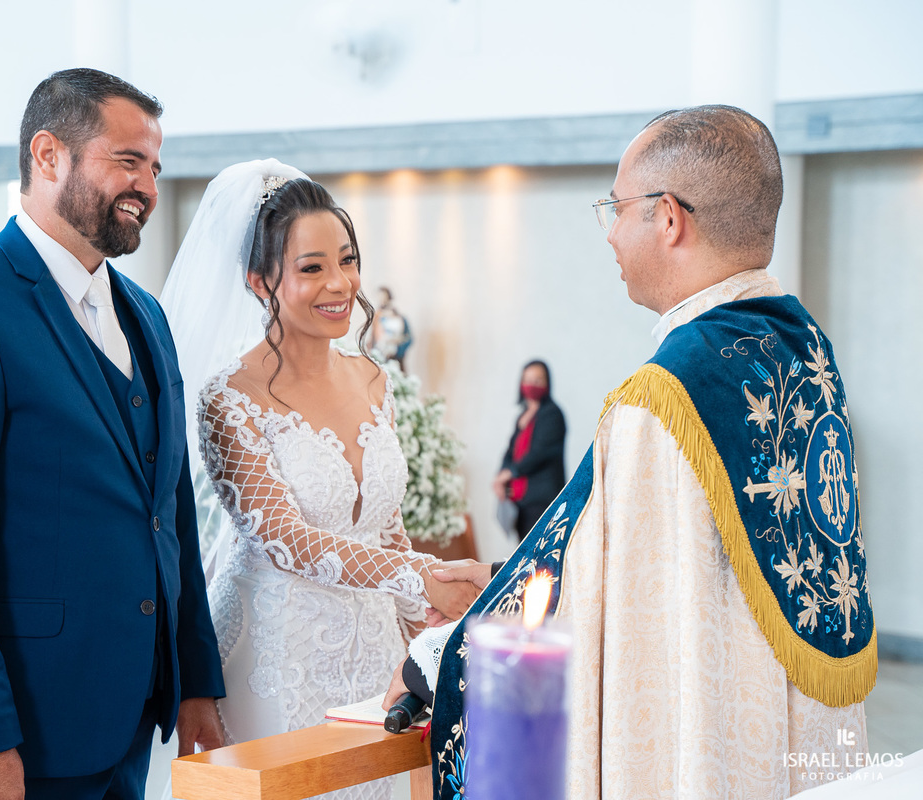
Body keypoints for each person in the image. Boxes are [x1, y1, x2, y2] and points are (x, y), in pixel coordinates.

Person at [388, 105, 875, 799]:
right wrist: (499, 573)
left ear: (669, 217)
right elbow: (675, 566)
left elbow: (609, 611)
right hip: (784, 726)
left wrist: (452, 645)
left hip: (709, 742)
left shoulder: (669, 393)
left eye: (616, 208)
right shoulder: (800, 348)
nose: (611, 233)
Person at [0, 68, 224, 799]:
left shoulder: (146, 315)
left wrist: (195, 680)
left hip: (130, 717)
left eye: (155, 167)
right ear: (47, 155)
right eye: (126, 161)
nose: (148, 187)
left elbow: (172, 512)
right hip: (13, 733)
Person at [161, 161, 479, 800]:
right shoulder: (230, 397)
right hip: (275, 651)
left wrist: (421, 620)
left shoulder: (373, 378)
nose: (340, 283)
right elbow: (283, 538)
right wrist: (422, 577)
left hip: (373, 651)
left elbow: (385, 525)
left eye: (348, 259)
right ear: (259, 282)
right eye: (311, 267)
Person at [491, 360, 566, 540]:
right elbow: (510, 452)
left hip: (543, 500)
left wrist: (510, 473)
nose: (532, 385)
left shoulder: (553, 414)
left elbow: (538, 454)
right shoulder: (522, 417)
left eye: (538, 380)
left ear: (547, 383)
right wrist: (500, 476)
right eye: (528, 380)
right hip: (520, 501)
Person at [364, 287, 412, 368]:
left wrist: (398, 348)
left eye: (383, 296)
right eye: (379, 297)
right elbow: (373, 336)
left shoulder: (400, 318)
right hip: (380, 355)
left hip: (395, 358)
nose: (381, 300)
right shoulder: (377, 316)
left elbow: (408, 338)